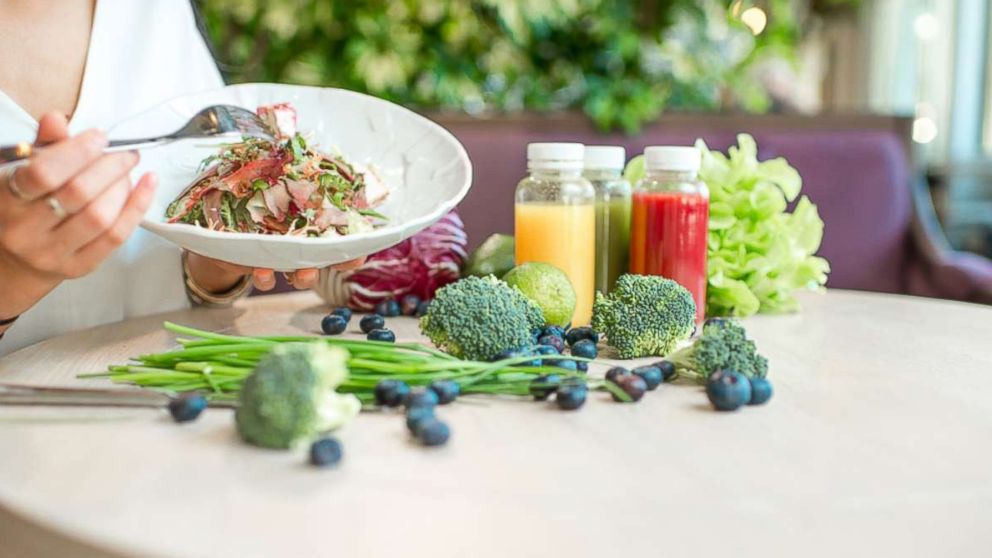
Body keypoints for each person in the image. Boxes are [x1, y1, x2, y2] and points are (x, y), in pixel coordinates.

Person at [0, 0, 360, 356]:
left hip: (170, 393)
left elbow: (182, 272)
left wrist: (218, 260)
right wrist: (9, 279)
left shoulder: (159, 9)